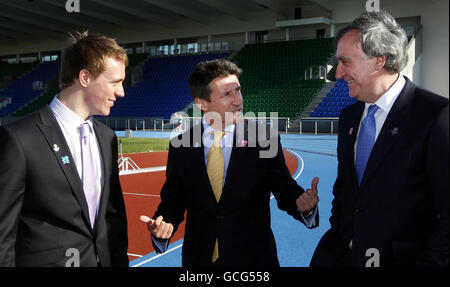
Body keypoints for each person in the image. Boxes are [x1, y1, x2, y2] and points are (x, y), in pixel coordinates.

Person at [140, 59, 319, 267]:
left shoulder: (263, 138)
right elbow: (173, 203)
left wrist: (304, 206)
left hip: (254, 263)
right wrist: (162, 226)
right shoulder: (181, 146)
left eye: (238, 90)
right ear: (201, 103)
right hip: (199, 263)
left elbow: (285, 189)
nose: (238, 100)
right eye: (227, 94)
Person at [310, 11, 448, 267]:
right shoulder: (349, 117)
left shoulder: (436, 116)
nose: (338, 73)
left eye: (345, 62)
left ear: (379, 61)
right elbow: (344, 191)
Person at [0, 31, 129, 267]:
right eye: (115, 82)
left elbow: (113, 217)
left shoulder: (107, 137)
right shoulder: (19, 139)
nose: (121, 92)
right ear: (84, 77)